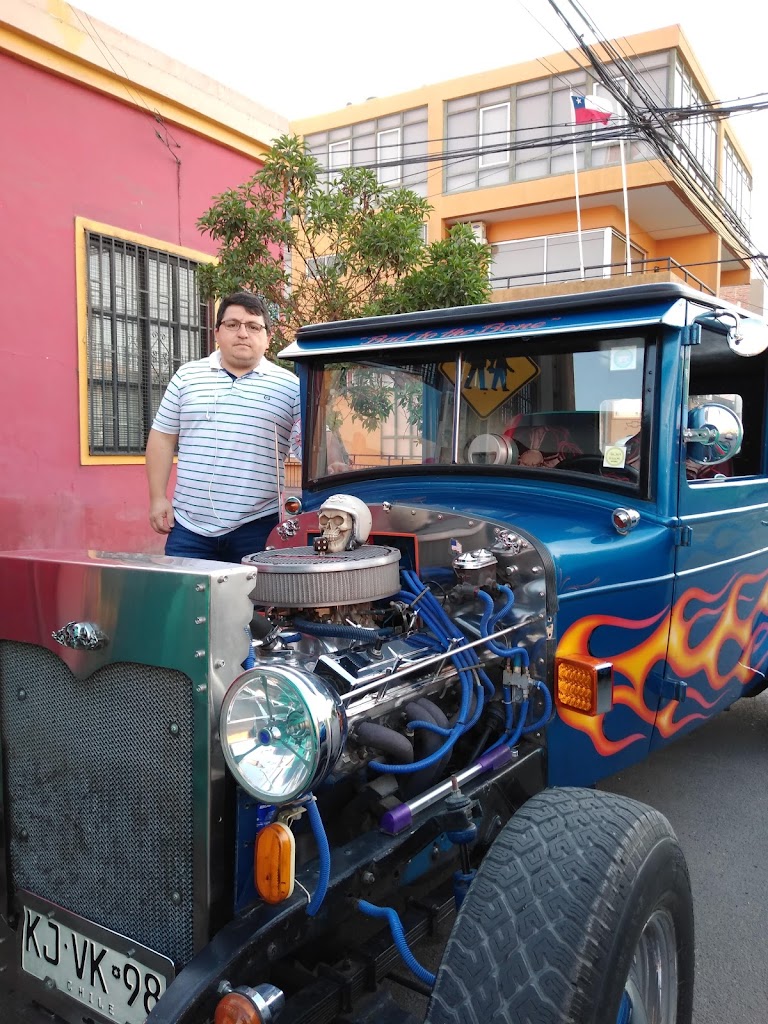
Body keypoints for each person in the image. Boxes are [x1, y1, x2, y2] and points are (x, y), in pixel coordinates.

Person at [145, 291, 300, 562]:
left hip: (259, 527)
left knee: (257, 592)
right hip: (189, 528)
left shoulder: (290, 387)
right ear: (217, 332)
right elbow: (162, 438)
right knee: (186, 591)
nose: (243, 333)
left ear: (268, 338)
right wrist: (157, 498)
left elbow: (314, 445)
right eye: (232, 324)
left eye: (253, 327)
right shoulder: (187, 377)